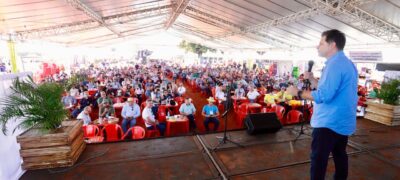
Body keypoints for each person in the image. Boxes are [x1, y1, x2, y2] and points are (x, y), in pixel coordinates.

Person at [286, 29, 358, 180]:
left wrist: (297, 93)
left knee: (319, 160)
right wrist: (313, 80)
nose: (317, 46)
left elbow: (324, 95)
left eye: (321, 43)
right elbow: (330, 90)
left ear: (332, 45)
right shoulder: (345, 63)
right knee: (340, 155)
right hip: (341, 120)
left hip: (329, 122)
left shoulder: (335, 65)